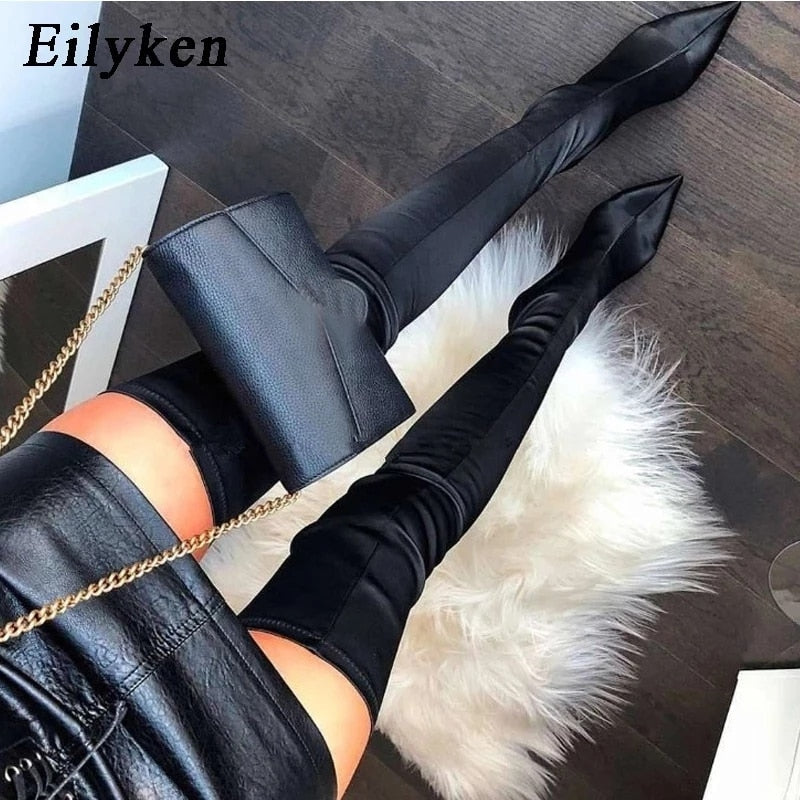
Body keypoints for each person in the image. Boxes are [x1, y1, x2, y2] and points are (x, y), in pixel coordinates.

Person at [0, 5, 735, 799]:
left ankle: (576, 115)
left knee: (321, 328)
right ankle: (564, 304)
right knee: (403, 522)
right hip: (196, 784)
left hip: (16, 606)